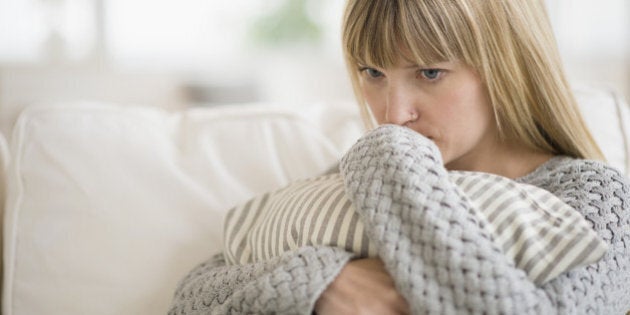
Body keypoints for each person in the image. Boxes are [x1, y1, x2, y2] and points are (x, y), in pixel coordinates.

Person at [168, 0, 630, 314]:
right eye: (372, 72)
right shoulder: (350, 180)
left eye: (430, 72)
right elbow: (192, 295)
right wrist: (322, 283)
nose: (392, 114)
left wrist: (387, 157)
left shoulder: (598, 199)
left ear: (507, 66)